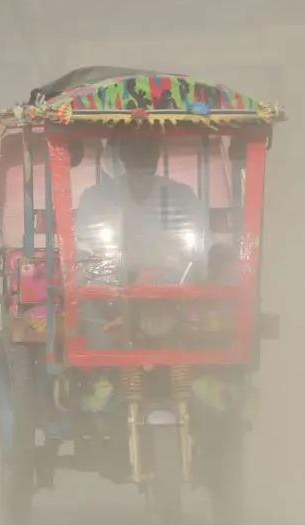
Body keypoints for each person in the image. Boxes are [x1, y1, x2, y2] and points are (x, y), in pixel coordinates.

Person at [73, 136, 210, 414]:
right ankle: (101, 380)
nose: (142, 158)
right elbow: (87, 251)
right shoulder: (97, 198)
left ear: (157, 157)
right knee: (88, 307)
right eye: (136, 151)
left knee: (210, 322)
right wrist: (120, 276)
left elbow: (197, 248)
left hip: (172, 294)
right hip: (114, 296)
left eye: (148, 152)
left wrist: (177, 271)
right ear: (122, 156)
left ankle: (204, 385)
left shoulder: (182, 198)